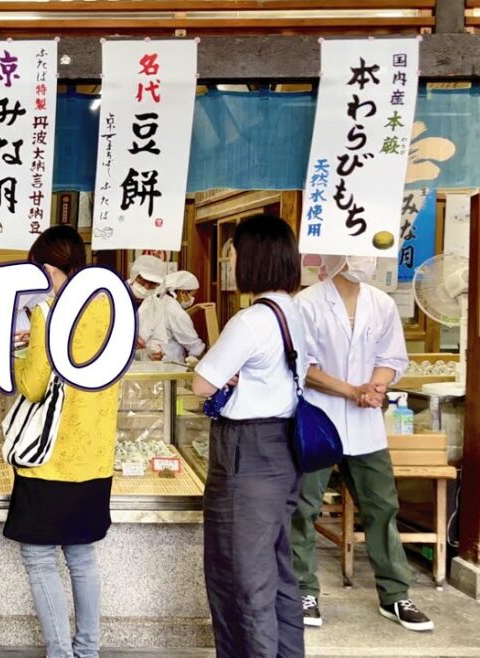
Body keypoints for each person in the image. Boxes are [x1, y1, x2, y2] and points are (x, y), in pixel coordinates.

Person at [292, 255, 433, 632]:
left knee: (382, 507)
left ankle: (396, 595)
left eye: (368, 253)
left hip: (367, 423)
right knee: (304, 509)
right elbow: (302, 366)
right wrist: (351, 390)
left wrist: (376, 386)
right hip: (320, 419)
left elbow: (392, 357)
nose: (363, 260)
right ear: (333, 256)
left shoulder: (381, 303)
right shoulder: (306, 303)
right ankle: (304, 591)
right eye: (354, 252)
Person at [191, 214, 307, 658]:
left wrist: (225, 373)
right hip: (284, 448)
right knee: (276, 571)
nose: (229, 260)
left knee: (240, 575)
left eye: (232, 252)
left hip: (246, 455)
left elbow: (203, 382)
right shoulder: (295, 311)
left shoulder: (252, 320)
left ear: (251, 257)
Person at [5, 226, 121, 658]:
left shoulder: (47, 311)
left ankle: (60, 653)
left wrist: (16, 361)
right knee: (82, 558)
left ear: (53, 267)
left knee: (39, 559)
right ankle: (87, 652)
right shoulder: (111, 307)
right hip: (94, 457)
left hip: (48, 456)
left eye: (40, 268)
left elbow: (34, 386)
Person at [152, 270, 206, 365]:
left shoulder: (161, 301)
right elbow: (194, 346)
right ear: (183, 292)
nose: (192, 299)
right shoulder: (176, 312)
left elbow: (172, 322)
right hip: (168, 366)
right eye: (192, 295)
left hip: (152, 364)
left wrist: (195, 308)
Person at [128, 255, 168, 360]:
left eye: (152, 284)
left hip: (139, 368)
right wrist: (126, 338)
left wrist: (152, 352)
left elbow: (157, 338)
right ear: (134, 275)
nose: (146, 287)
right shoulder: (112, 296)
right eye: (142, 280)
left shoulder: (156, 305)